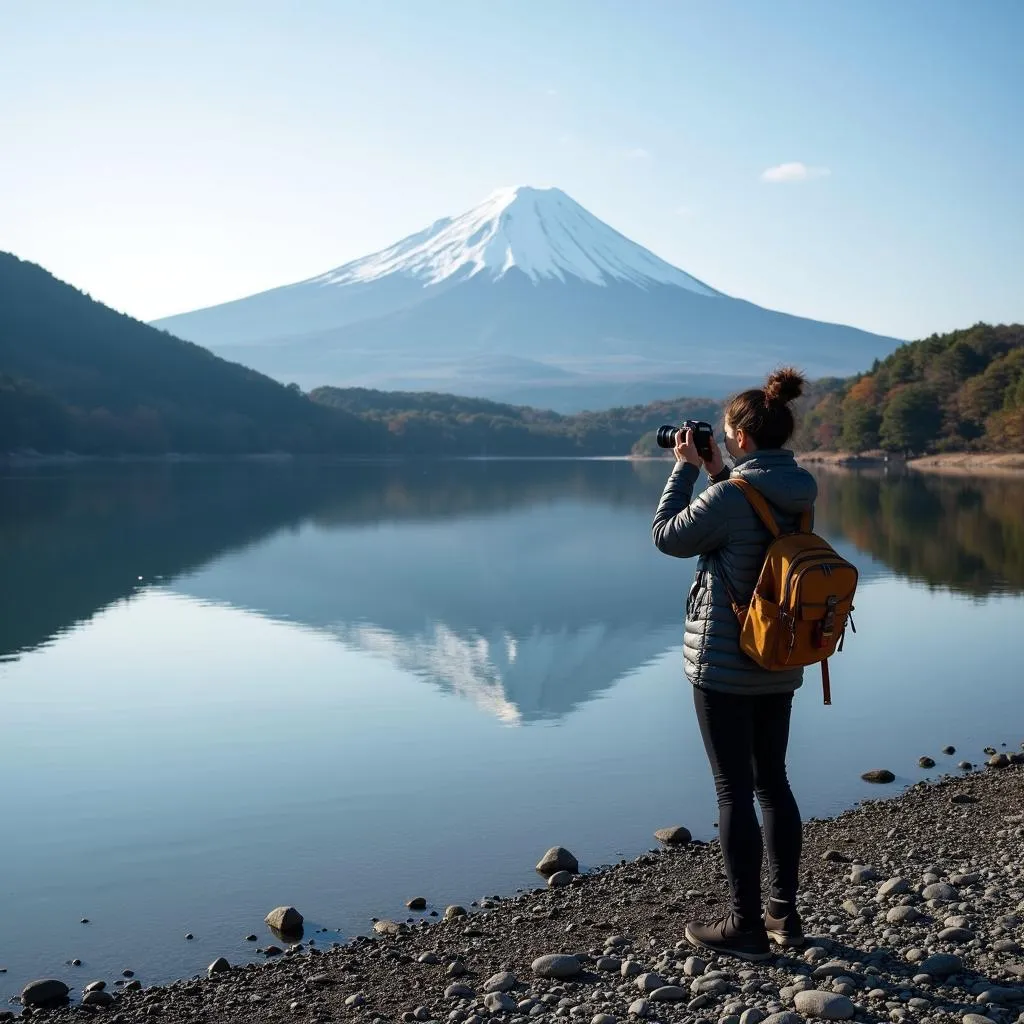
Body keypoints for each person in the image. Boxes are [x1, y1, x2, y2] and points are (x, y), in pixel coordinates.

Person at [651, 367, 817, 961]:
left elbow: (668, 537)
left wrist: (685, 468)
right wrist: (720, 472)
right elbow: (754, 513)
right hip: (781, 656)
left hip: (723, 664)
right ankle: (783, 917)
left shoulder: (725, 495)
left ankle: (745, 926)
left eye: (724, 435)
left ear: (740, 438)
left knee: (733, 791)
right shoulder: (800, 488)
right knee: (774, 782)